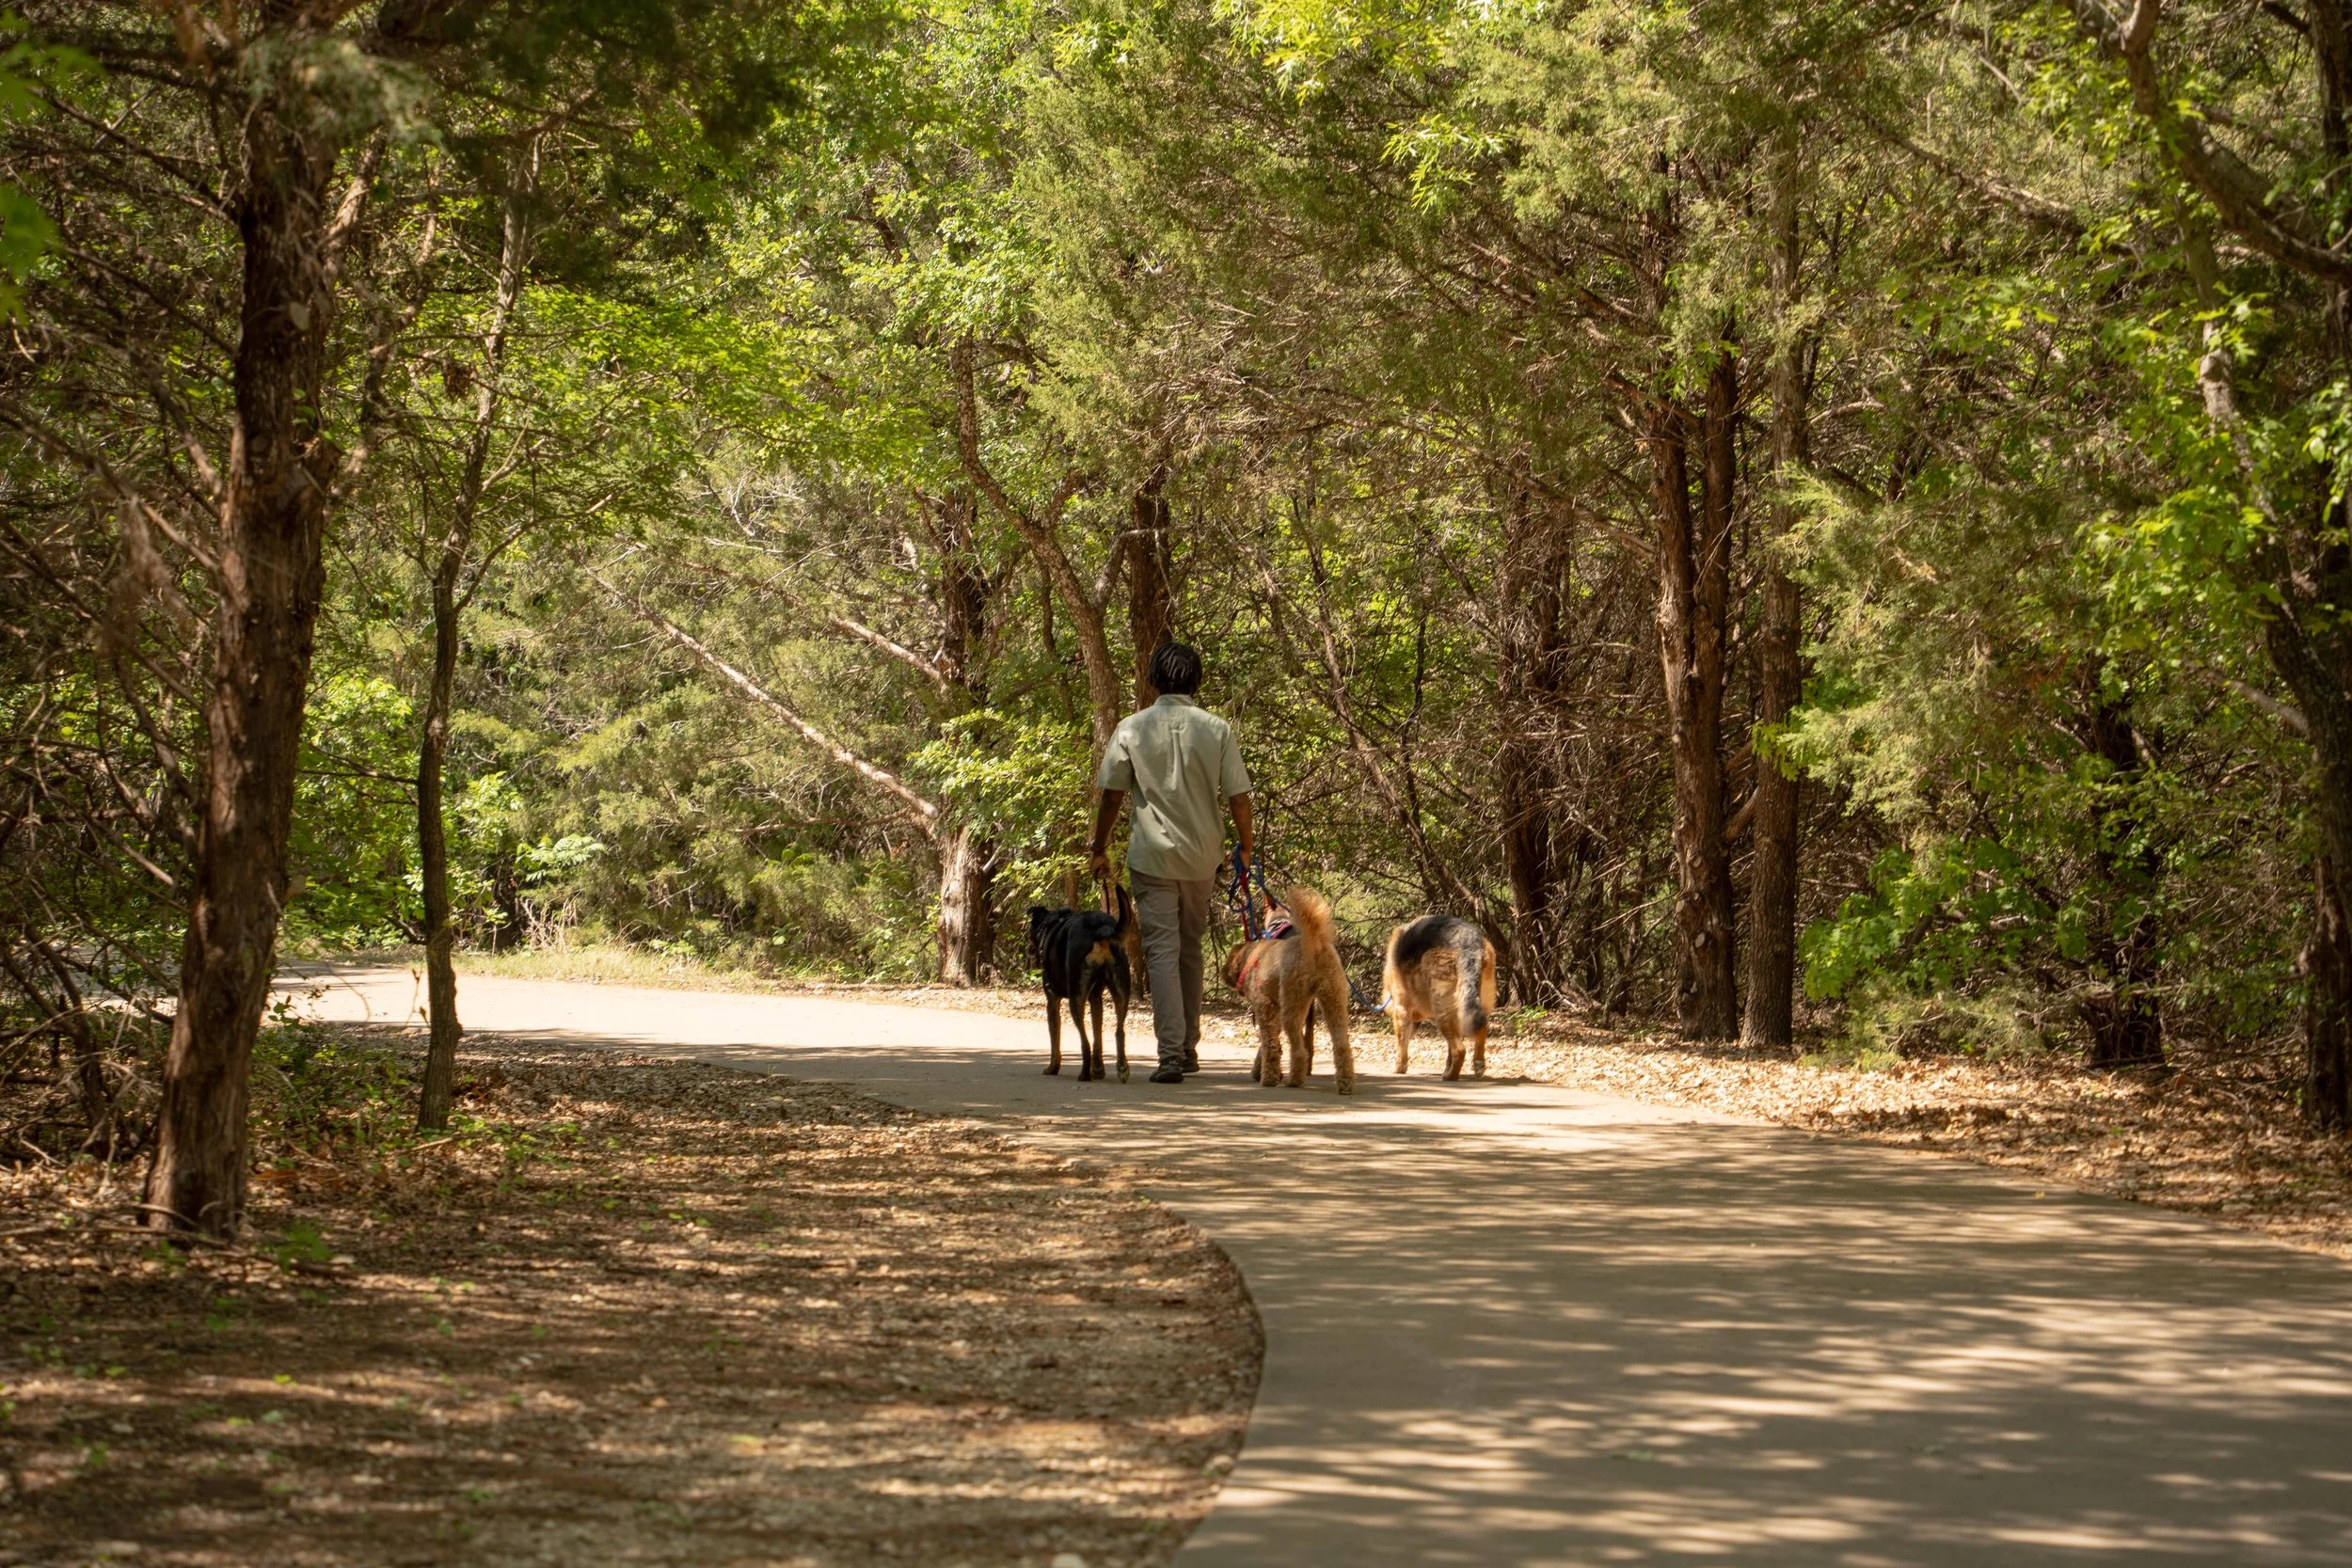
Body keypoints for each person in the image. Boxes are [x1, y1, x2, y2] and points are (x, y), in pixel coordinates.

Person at [1089, 641, 1253, 1084]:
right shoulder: (1217, 729)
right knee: (1190, 947)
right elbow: (1238, 796)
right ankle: (1187, 1046)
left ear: (1154, 679)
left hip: (1153, 855)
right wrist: (1245, 845)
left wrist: (1098, 846)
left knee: (1162, 949)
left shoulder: (1131, 728)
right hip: (1203, 857)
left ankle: (1171, 1055)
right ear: (1197, 679)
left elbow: (1111, 796)